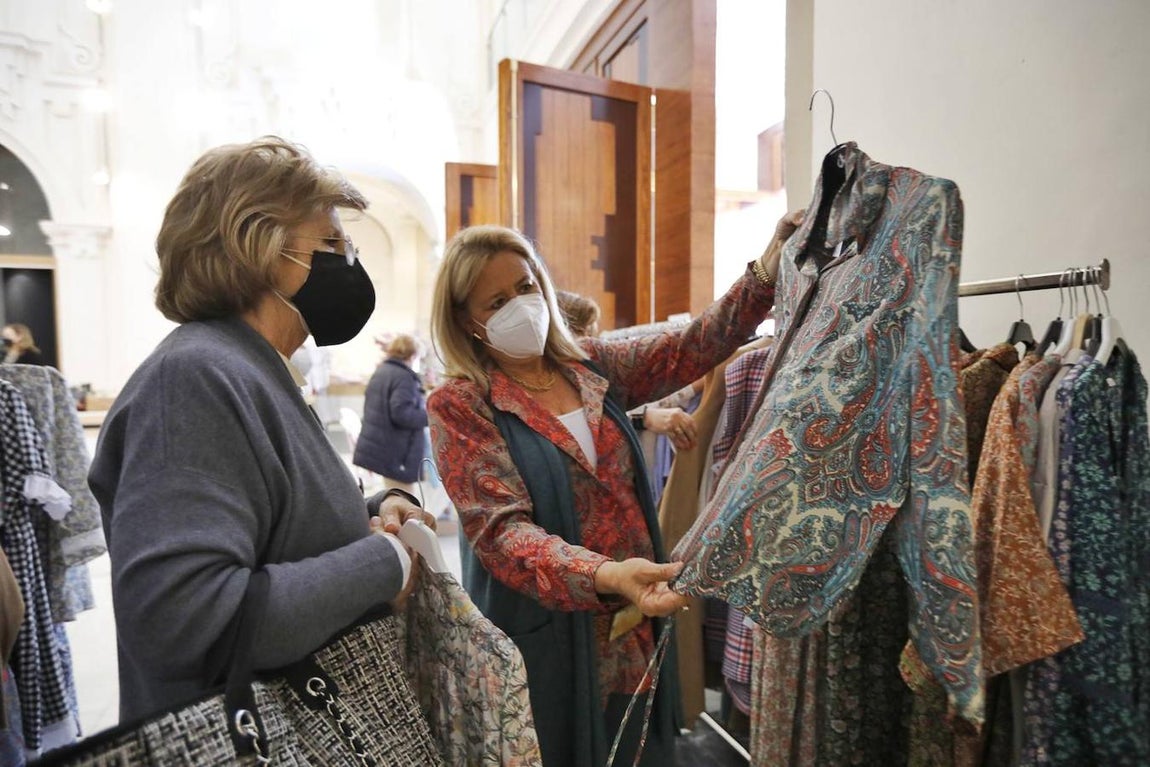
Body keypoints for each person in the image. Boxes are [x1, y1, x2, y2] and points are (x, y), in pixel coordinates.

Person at [427, 212, 801, 766]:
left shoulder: (590, 366)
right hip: (549, 633)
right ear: (467, 322)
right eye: (496, 301)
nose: (519, 305)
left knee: (639, 747)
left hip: (633, 622)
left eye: (525, 287)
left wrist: (767, 268)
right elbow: (501, 532)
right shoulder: (461, 404)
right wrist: (604, 575)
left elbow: (696, 344)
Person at [88, 136, 432, 722]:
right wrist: (385, 564)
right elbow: (185, 622)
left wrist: (382, 506)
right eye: (330, 244)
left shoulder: (251, 366)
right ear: (259, 247)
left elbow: (276, 519)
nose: (348, 262)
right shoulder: (192, 379)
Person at [556, 289, 699, 452]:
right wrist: (644, 419)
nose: (585, 351)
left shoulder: (598, 373)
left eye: (589, 338)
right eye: (580, 341)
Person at [354, 333, 429, 495]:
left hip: (383, 447)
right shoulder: (404, 377)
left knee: (394, 494)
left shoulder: (383, 370)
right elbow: (402, 414)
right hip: (396, 451)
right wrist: (431, 415)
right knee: (405, 500)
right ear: (413, 355)